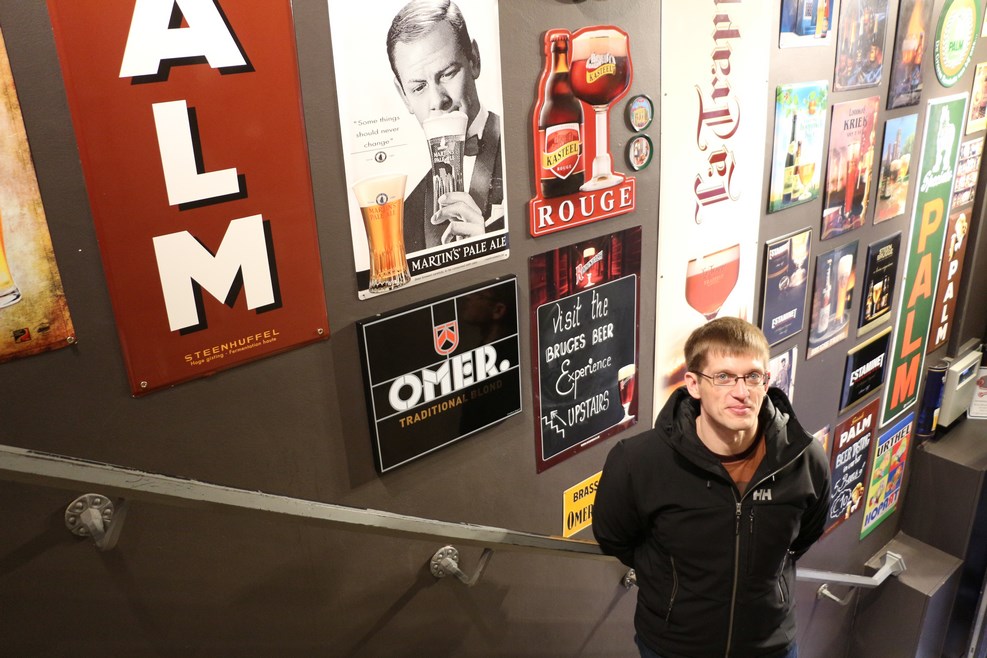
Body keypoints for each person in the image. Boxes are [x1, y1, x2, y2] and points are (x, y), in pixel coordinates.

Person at [593, 317, 830, 658]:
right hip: (674, 646)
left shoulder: (804, 458)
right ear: (693, 384)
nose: (741, 392)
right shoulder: (638, 461)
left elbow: (806, 534)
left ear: (766, 382)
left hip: (770, 645)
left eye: (753, 376)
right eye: (723, 377)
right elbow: (615, 537)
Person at [387, 0, 504, 252]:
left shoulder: (522, 147)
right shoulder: (407, 214)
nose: (438, 100)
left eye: (448, 73)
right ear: (404, 96)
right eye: (419, 87)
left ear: (474, 60)